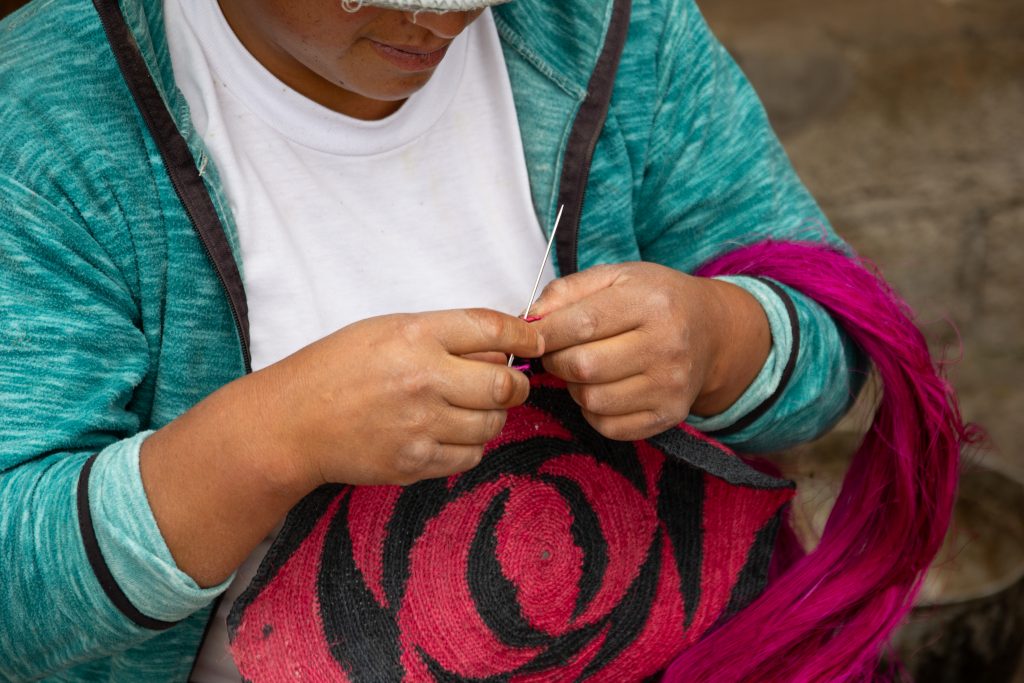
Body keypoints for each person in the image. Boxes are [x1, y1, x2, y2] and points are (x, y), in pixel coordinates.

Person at [1, 0, 913, 680]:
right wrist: (272, 436)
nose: (440, 18)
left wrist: (719, 341)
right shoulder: (45, 129)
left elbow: (837, 346)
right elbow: (15, 591)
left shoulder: (615, 33)